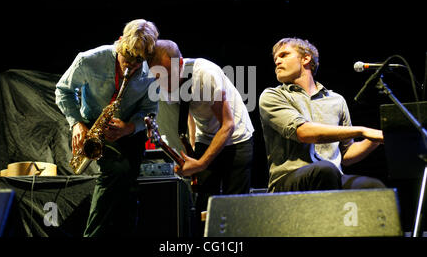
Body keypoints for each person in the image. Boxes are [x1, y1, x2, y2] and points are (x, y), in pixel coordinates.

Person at [55, 19, 159, 237]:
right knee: (115, 173)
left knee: (129, 188)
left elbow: (150, 110)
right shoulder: (89, 60)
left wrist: (129, 127)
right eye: (127, 57)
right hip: (95, 125)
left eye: (137, 61)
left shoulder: (151, 72)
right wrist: (76, 123)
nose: (130, 65)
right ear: (120, 43)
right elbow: (63, 91)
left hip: (129, 131)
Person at [148, 39, 254, 235]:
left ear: (179, 63)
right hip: (207, 135)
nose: (164, 82)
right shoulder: (163, 79)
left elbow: (228, 125)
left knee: (235, 209)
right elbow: (188, 109)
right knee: (203, 207)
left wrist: (202, 163)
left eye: (167, 75)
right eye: (158, 77)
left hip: (237, 137)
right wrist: (192, 145)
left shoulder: (205, 74)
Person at [259, 37, 386, 193]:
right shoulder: (273, 96)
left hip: (331, 175)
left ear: (306, 58)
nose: (277, 61)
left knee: (373, 187)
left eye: (284, 55)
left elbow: (346, 154)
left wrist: (377, 138)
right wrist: (362, 130)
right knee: (324, 170)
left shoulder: (336, 100)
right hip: (287, 180)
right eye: (275, 58)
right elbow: (304, 132)